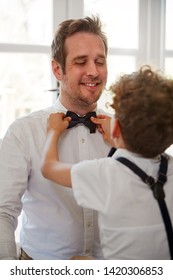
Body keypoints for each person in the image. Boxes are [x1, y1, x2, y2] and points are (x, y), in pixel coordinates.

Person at [0, 16, 112, 260]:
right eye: (81, 62)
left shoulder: (121, 134)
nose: (93, 71)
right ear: (57, 69)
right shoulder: (22, 133)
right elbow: (3, 212)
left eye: (100, 61)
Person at [41, 65, 173, 260]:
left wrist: (53, 131)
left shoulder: (105, 174)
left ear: (116, 127)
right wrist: (120, 141)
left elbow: (49, 167)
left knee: (77, 263)